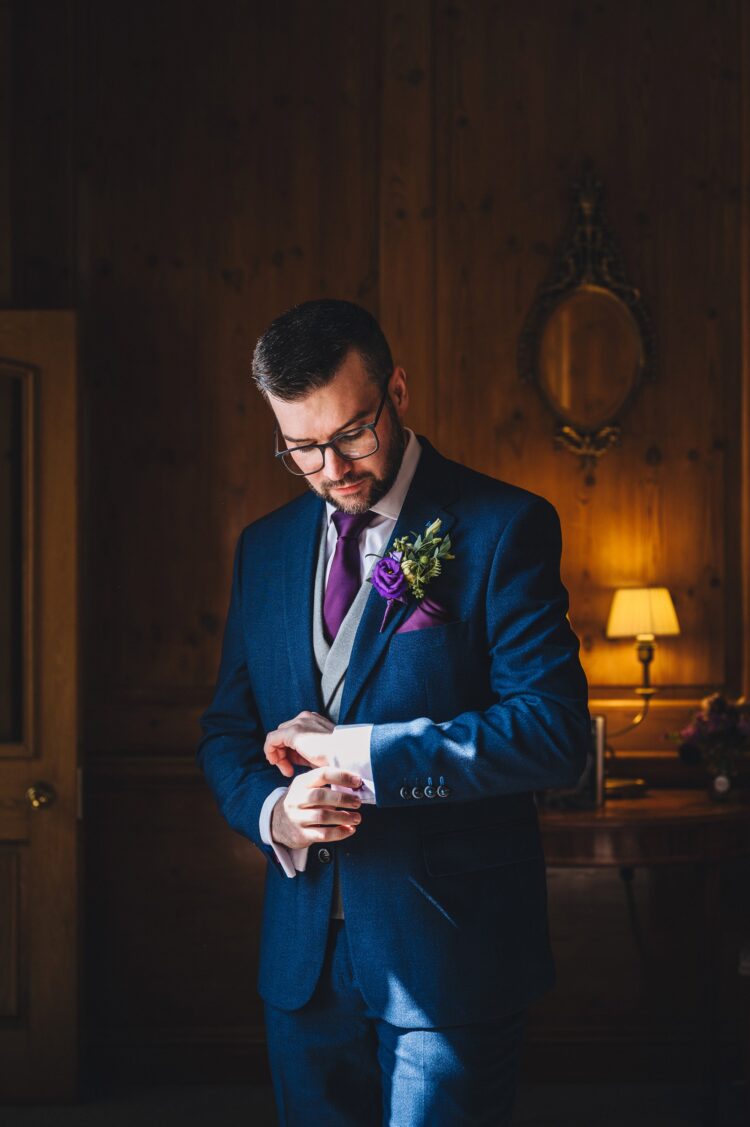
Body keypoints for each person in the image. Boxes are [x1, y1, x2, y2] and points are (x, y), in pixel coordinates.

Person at [197, 298, 590, 1126]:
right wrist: (278, 811)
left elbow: (552, 733)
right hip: (302, 964)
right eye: (301, 448)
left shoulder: (503, 527)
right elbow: (228, 733)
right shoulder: (263, 549)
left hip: (451, 958)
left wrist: (356, 751)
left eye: (350, 435)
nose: (331, 468)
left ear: (397, 391)